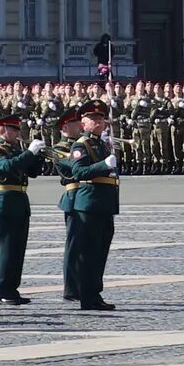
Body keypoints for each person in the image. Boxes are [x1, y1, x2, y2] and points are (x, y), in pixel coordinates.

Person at [58, 102, 121, 309]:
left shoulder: (102, 144)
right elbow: (79, 172)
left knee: (100, 252)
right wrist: (104, 165)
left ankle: (95, 294)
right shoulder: (81, 145)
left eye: (101, 118)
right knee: (89, 252)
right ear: (83, 124)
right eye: (93, 119)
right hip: (89, 205)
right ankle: (87, 296)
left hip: (103, 204)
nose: (99, 122)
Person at [0, 112, 47, 304]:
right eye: (14, 129)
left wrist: (38, 156)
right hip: (5, 200)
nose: (17, 133)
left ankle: (12, 289)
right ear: (2, 130)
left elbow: (33, 172)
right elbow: (7, 167)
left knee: (18, 249)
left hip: (19, 200)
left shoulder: (15, 150)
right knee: (7, 249)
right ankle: (2, 290)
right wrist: (29, 153)